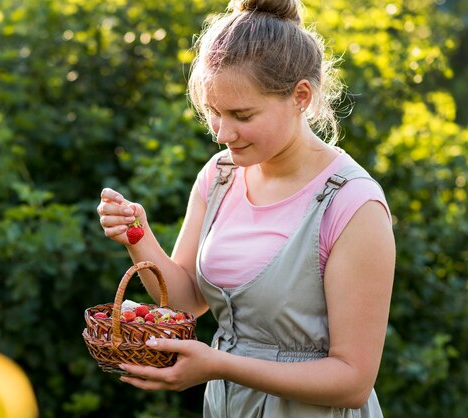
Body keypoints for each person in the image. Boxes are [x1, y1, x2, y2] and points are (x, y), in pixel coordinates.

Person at [96, 0, 395, 416]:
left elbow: (352, 381)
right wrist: (137, 235)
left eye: (241, 114)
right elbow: (187, 301)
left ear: (300, 97)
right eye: (214, 113)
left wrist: (219, 364)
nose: (221, 133)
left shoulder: (352, 204)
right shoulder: (220, 176)